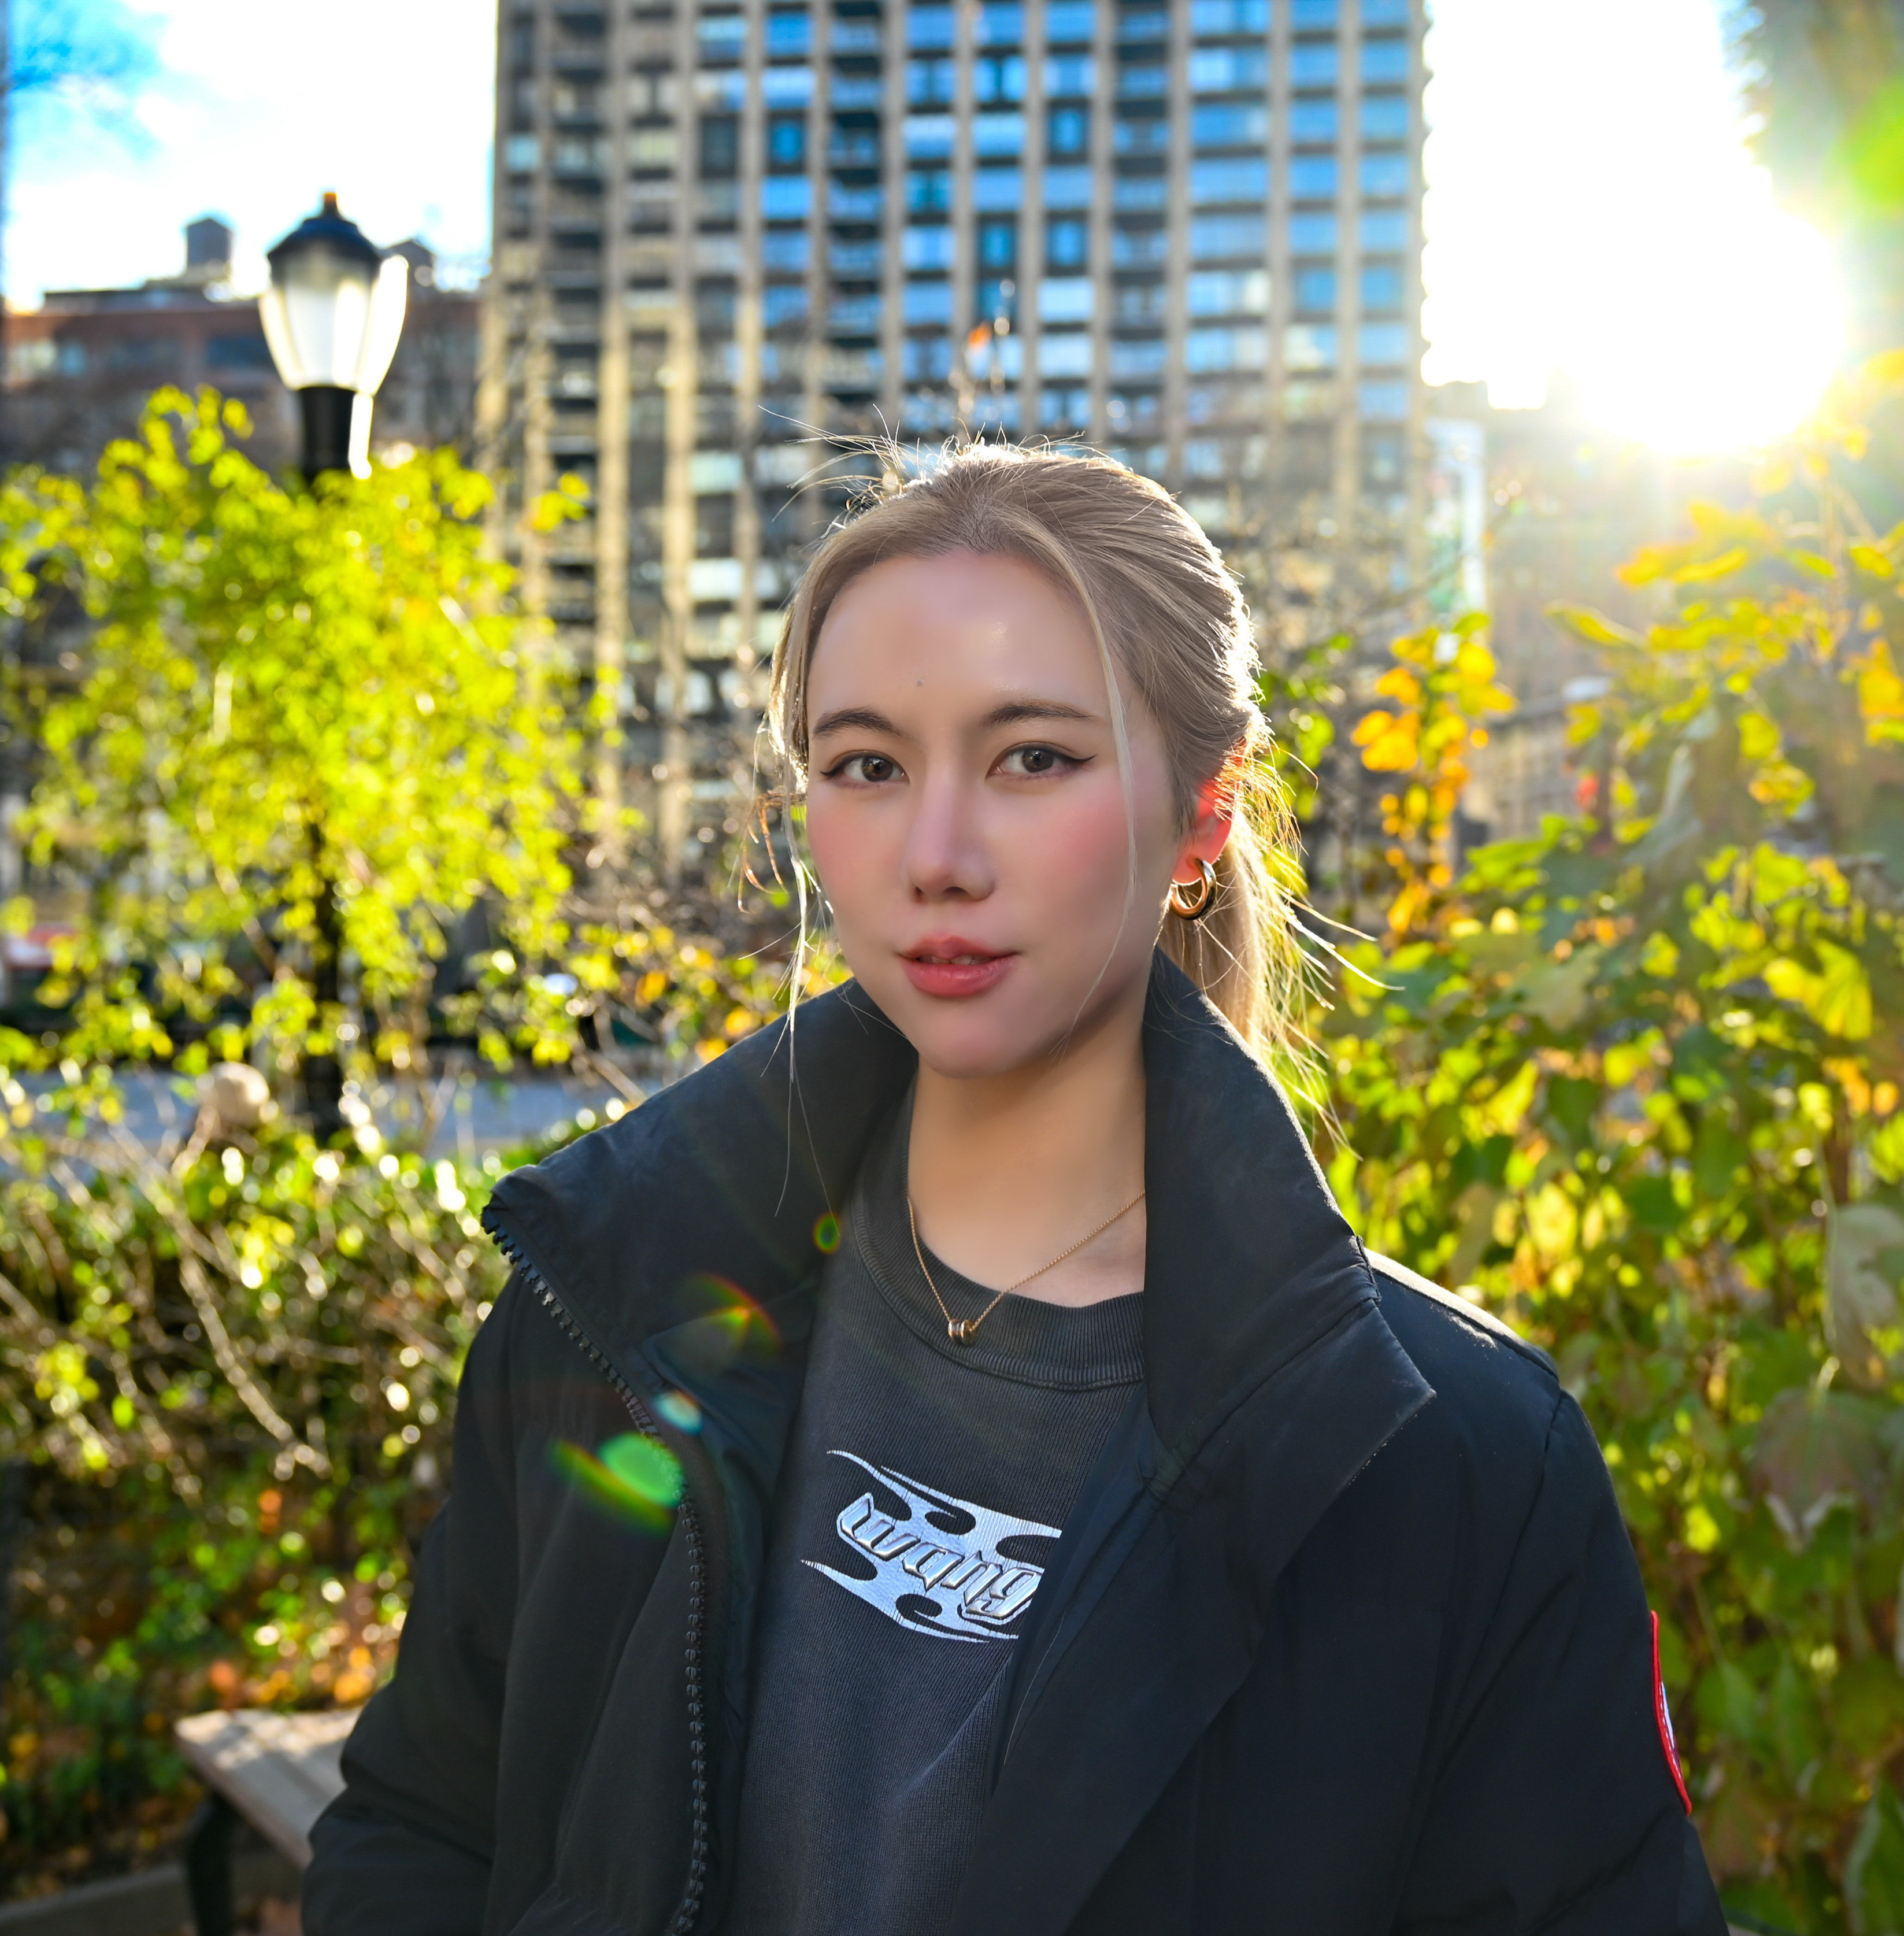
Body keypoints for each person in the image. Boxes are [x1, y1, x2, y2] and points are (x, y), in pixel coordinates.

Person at [303, 446, 1728, 1936]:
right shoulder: (611, 1302)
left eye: (1032, 757)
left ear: (1202, 819)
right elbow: (423, 1828)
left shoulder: (1454, 1467)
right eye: (867, 767)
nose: (936, 855)